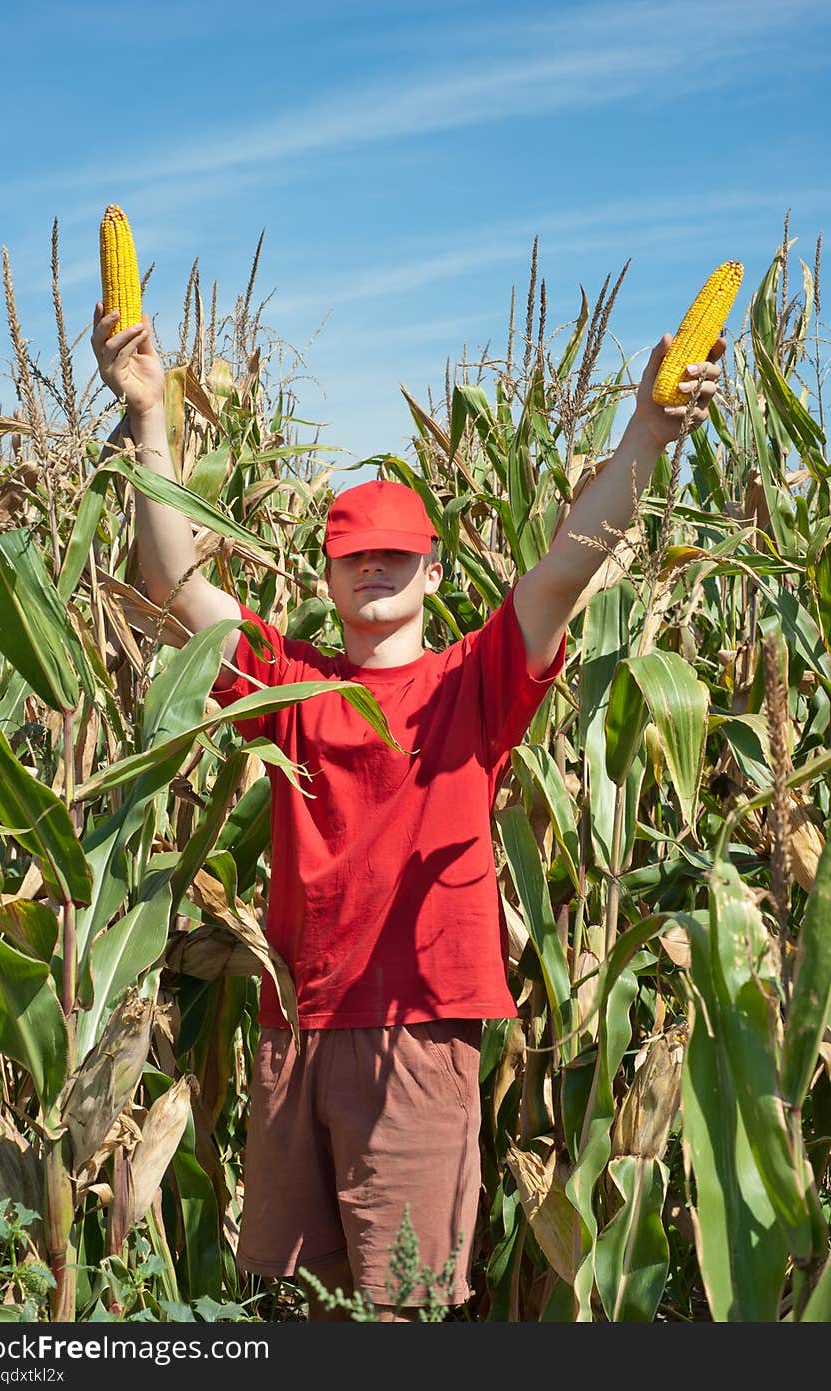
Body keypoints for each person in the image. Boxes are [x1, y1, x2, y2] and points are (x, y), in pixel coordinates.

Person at [90, 300, 723, 1321]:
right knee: (298, 1305)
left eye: (396, 556)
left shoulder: (477, 681)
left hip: (415, 1036)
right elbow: (172, 581)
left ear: (433, 570)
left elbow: (568, 562)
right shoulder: (290, 688)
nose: (374, 567)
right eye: (354, 556)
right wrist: (152, 415)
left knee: (403, 1309)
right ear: (330, 577)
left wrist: (645, 437)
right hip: (295, 1028)